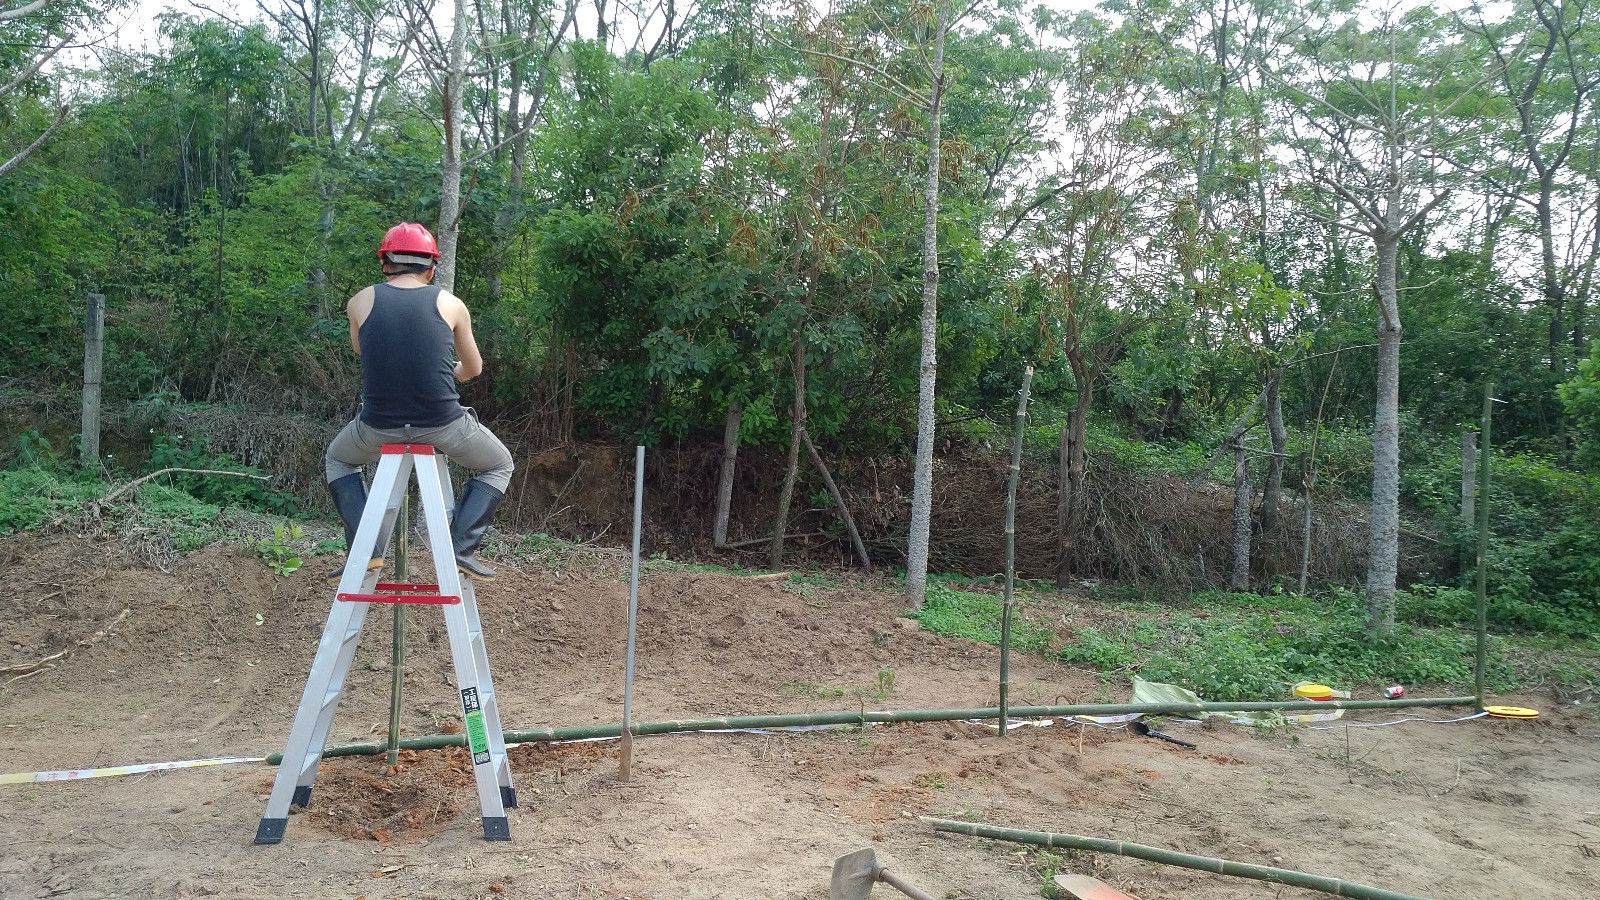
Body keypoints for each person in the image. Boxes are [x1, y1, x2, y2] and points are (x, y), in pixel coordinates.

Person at [323, 222, 514, 582]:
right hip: (442, 425)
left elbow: (363, 350)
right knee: (499, 464)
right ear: (431, 268)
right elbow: (474, 368)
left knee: (338, 459)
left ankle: (366, 551)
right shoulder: (451, 304)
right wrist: (451, 372)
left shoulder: (359, 301)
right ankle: (460, 550)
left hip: (378, 426)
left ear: (385, 263)